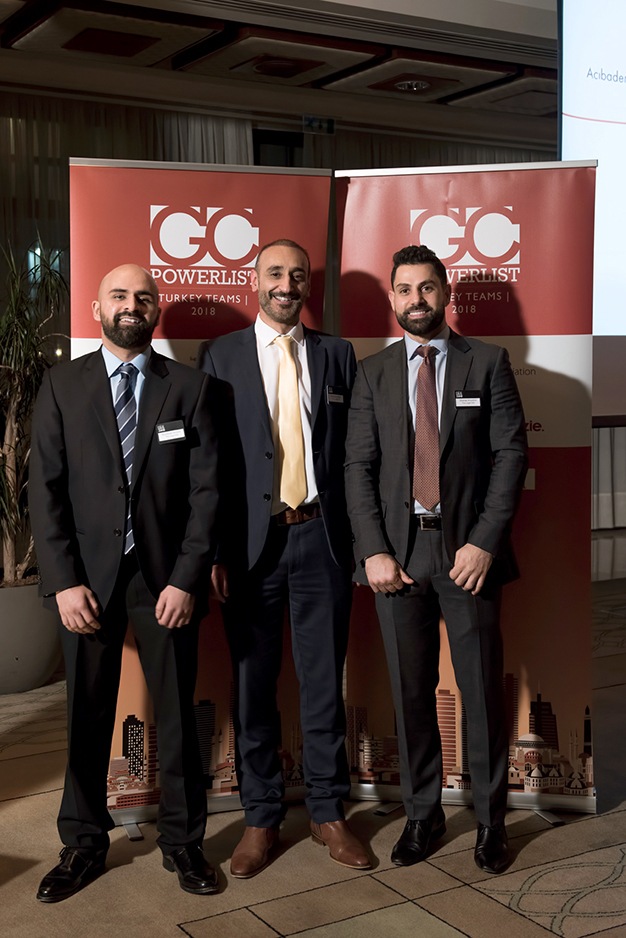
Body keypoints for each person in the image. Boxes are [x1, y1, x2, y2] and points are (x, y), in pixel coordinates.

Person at [29, 264, 219, 902]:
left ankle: (184, 842)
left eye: (143, 296)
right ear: (97, 308)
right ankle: (83, 843)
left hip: (166, 582)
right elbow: (45, 491)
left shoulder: (191, 388)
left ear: (156, 308)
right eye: (119, 295)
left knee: (177, 715)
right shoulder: (61, 385)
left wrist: (187, 578)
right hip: (86, 582)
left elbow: (207, 495)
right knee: (85, 715)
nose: (132, 305)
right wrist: (63, 582)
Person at [344, 244, 527, 875]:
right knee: (410, 693)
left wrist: (484, 541)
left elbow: (510, 456)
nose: (416, 299)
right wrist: (372, 549)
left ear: (445, 294)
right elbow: (357, 467)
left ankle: (491, 822)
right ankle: (422, 815)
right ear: (391, 299)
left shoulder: (488, 362)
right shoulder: (372, 372)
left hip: (467, 553)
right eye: (404, 289)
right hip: (397, 555)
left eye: (427, 287)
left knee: (481, 691)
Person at [199, 239, 370, 878]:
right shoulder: (219, 355)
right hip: (251, 549)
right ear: (255, 280)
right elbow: (209, 463)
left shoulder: (337, 354)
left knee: (323, 684)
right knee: (254, 686)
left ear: (306, 286)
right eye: (275, 273)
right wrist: (216, 550)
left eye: (297, 275)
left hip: (322, 539)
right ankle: (261, 817)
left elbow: (354, 454)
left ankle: (327, 812)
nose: (287, 284)